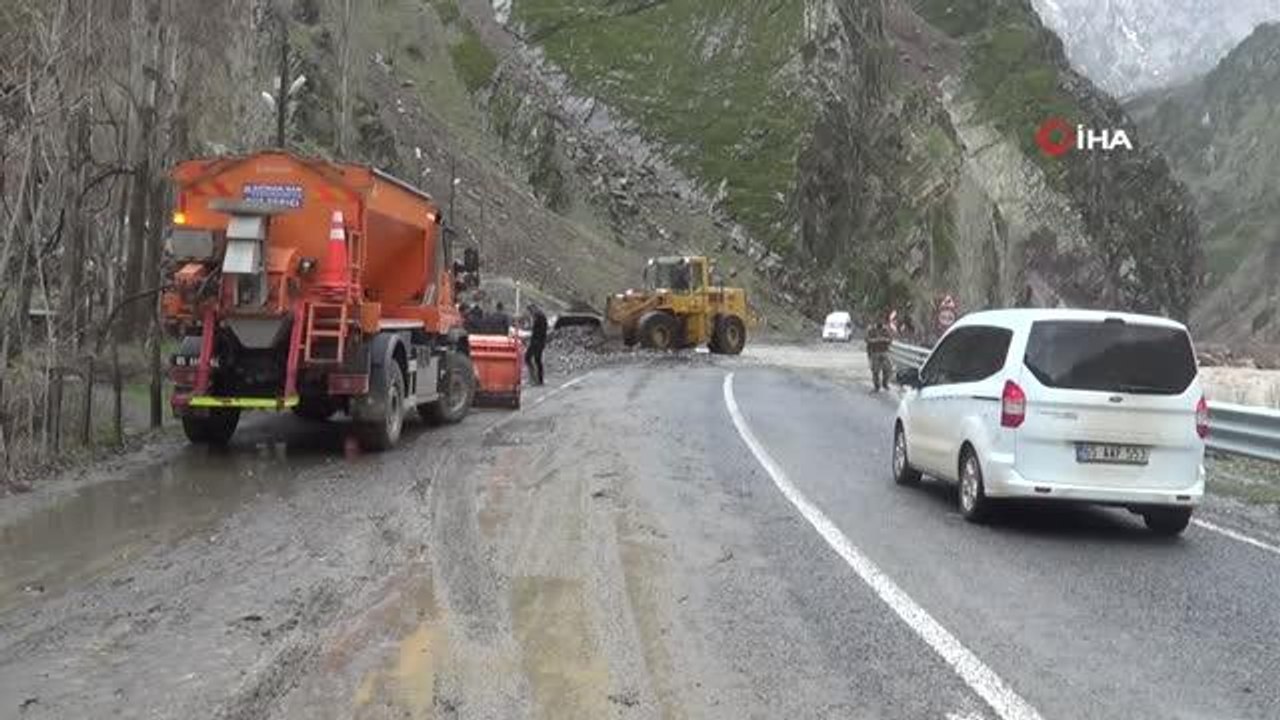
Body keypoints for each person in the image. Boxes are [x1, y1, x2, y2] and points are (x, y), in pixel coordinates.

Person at [865, 315, 894, 392]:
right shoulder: (871, 329)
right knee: (875, 371)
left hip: (884, 352)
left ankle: (885, 384)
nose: (879, 322)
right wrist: (876, 340)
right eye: (878, 320)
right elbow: (867, 340)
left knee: (887, 369)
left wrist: (884, 339)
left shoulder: (886, 329)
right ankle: (876, 386)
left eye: (881, 320)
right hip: (874, 352)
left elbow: (890, 339)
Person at [525, 303, 548, 386]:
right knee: (537, 359)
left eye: (529, 311)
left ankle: (535, 379)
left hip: (537, 341)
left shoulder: (538, 317)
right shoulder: (540, 316)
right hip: (539, 341)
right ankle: (538, 379)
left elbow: (537, 331)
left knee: (529, 358)